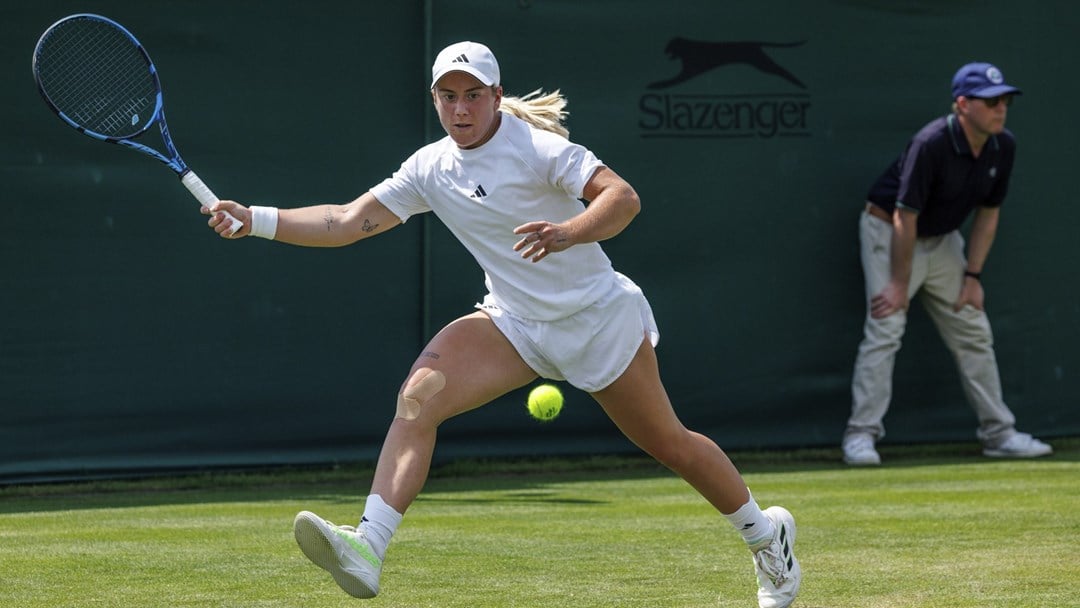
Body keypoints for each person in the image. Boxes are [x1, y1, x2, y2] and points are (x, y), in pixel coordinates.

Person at [204, 41, 800, 607]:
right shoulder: (429, 168)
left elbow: (623, 198)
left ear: (496, 95)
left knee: (670, 445)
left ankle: (766, 539)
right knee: (418, 398)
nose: (460, 108)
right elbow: (343, 221)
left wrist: (566, 232)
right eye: (447, 96)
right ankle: (368, 546)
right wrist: (253, 218)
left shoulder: (537, 149)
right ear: (434, 99)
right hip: (513, 322)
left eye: (473, 94)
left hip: (595, 319)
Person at [843, 62, 1053, 466]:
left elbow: (988, 214)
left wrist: (972, 276)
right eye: (991, 101)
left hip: (941, 242)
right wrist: (899, 283)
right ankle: (860, 437)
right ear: (962, 104)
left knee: (973, 326)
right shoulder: (932, 142)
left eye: (1004, 100)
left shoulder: (1002, 145)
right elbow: (905, 216)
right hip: (889, 232)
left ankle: (999, 434)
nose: (1000, 108)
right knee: (886, 327)